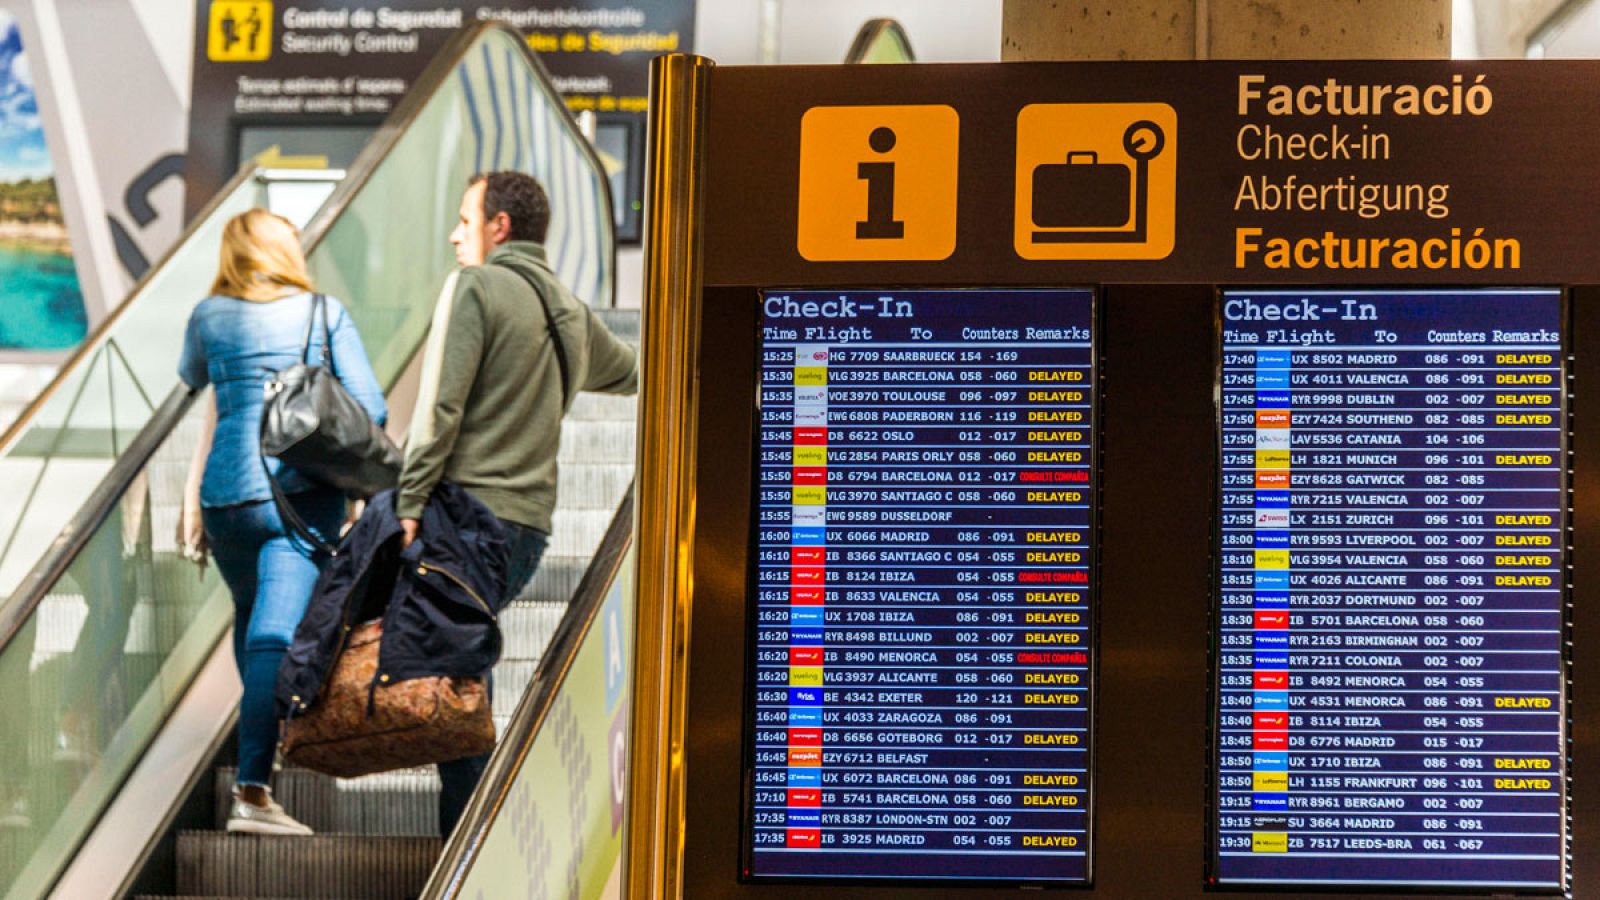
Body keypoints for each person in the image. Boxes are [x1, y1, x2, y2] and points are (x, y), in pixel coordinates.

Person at [398, 171, 637, 834]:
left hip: (469, 519)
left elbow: (440, 406)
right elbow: (636, 372)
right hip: (527, 530)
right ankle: (474, 834)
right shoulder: (569, 311)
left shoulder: (476, 287)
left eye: (465, 219)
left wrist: (411, 496)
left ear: (499, 227)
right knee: (462, 663)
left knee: (458, 675)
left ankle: (472, 843)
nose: (455, 235)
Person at [177, 209, 387, 836]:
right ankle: (252, 790)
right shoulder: (323, 314)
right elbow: (371, 406)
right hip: (297, 496)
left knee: (252, 619)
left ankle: (260, 759)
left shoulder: (208, 316)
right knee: (275, 635)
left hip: (226, 502)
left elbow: (196, 381)